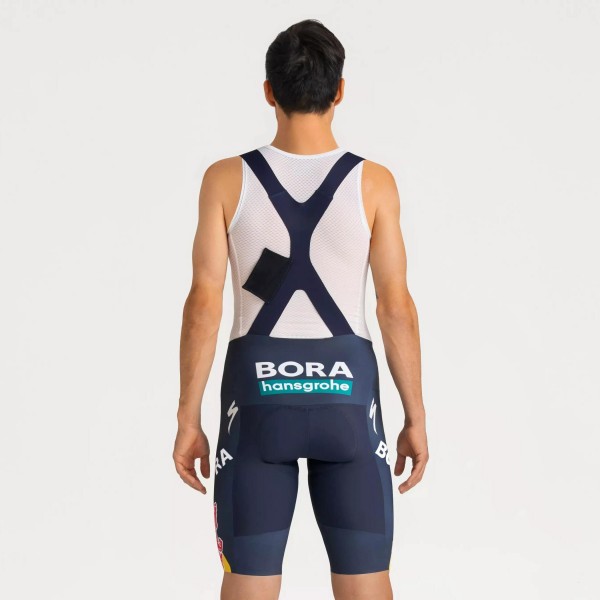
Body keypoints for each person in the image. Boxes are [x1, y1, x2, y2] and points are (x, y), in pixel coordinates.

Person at [173, 18, 428, 600]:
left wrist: (188, 419)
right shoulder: (374, 183)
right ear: (340, 91)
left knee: (248, 580)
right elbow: (396, 307)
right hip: (349, 400)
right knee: (367, 581)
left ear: (269, 91)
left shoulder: (225, 180)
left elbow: (203, 304)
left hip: (256, 400)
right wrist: (415, 417)